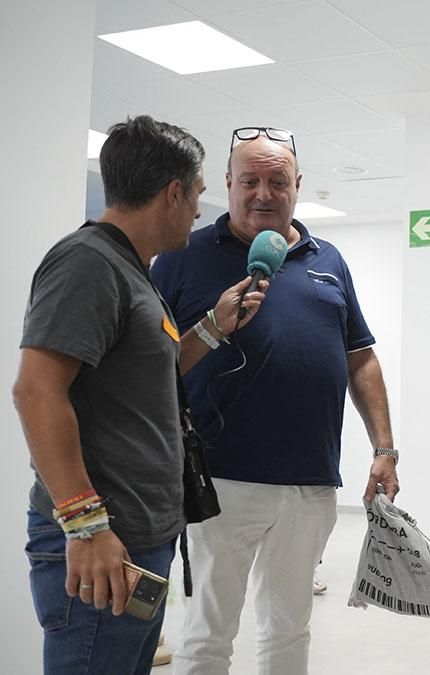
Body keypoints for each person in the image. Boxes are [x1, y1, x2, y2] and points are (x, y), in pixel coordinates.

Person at [13, 115, 266, 674]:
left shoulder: (133, 270)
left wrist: (212, 328)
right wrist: (87, 527)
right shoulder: (87, 262)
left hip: (137, 537)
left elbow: (147, 376)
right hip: (105, 542)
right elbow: (36, 391)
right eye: (198, 193)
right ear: (173, 192)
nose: (200, 210)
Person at [151, 127, 399, 674]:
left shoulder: (328, 259)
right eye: (250, 181)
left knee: (289, 631)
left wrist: (385, 448)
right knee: (210, 634)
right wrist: (214, 326)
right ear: (227, 184)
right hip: (221, 481)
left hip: (310, 482)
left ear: (298, 185)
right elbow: (147, 366)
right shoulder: (182, 256)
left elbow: (361, 356)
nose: (263, 193)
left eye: (277, 181)